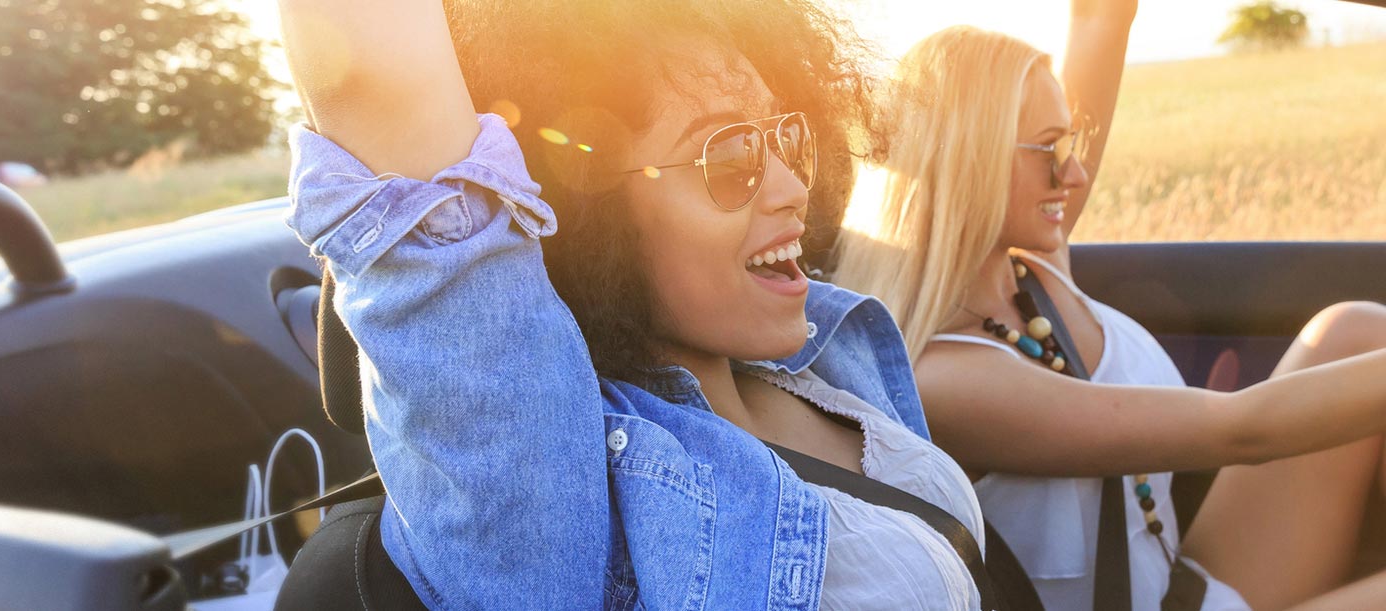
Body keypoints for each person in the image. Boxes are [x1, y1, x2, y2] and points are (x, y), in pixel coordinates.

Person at [278, 0, 993, 608]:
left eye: (785, 136)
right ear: (592, 210)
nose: (791, 189)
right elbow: (369, 75)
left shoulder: (825, 353)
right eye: (730, 156)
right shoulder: (564, 492)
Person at [833, 2, 1386, 609]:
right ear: (973, 161)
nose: (1072, 174)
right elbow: (1244, 429)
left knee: (1353, 330)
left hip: (1183, 585)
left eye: (1071, 144)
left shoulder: (1033, 270)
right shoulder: (949, 380)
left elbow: (1101, 16)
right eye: (1049, 149)